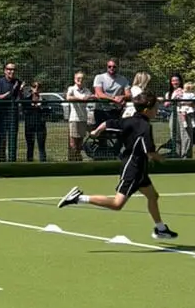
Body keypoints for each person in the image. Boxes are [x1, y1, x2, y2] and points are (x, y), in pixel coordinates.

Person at [58, 92, 178, 241]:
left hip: (139, 168)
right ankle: (78, 198)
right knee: (117, 204)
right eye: (155, 108)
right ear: (147, 110)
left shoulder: (128, 121)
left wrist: (96, 131)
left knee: (153, 196)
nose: (157, 111)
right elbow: (150, 152)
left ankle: (161, 229)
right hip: (133, 168)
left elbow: (108, 123)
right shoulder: (145, 126)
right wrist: (163, 159)